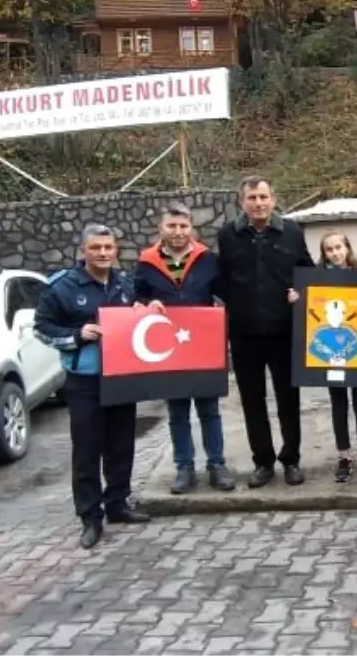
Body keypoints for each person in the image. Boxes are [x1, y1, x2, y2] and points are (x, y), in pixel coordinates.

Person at [34, 224, 151, 549]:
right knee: (87, 450)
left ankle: (117, 504)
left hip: (122, 376)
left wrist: (146, 311)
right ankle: (90, 517)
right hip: (84, 380)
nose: (102, 253)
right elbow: (41, 329)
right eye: (96, 248)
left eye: (108, 248)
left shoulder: (125, 284)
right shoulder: (62, 287)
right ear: (83, 250)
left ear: (116, 250)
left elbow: (136, 319)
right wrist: (74, 337)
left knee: (121, 445)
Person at [215, 176, 315, 489]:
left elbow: (308, 271)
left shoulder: (293, 232)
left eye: (263, 197)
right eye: (252, 198)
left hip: (284, 331)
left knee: (289, 398)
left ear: (273, 199)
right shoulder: (228, 235)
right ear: (241, 202)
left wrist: (300, 291)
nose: (258, 203)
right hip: (244, 334)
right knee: (252, 400)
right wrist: (237, 303)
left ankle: (292, 459)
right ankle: (263, 461)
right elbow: (220, 278)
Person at [133, 203, 232, 495]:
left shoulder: (206, 259)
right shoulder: (147, 262)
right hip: (168, 347)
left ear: (192, 228)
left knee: (209, 409)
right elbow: (136, 296)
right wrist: (143, 304)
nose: (178, 232)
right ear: (161, 228)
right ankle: (184, 468)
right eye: (172, 226)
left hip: (201, 344)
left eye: (183, 226)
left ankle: (216, 464)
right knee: (177, 411)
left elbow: (227, 291)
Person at [316, 231, 357, 482]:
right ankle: (344, 456)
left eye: (338, 247)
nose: (335, 253)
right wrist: (298, 299)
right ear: (324, 253)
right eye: (329, 249)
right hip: (331, 354)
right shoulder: (317, 278)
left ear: (347, 247)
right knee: (338, 404)